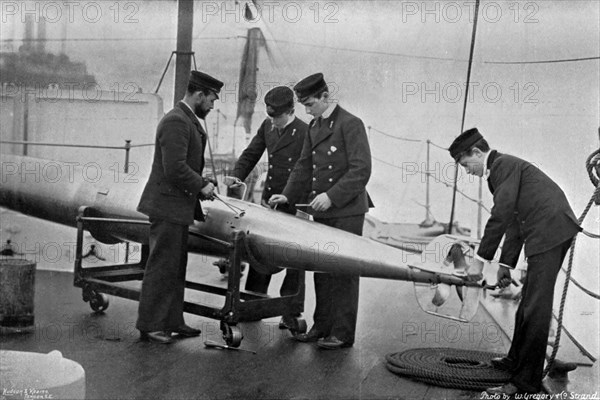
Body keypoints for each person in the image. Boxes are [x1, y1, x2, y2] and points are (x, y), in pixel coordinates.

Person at [449, 128, 581, 395]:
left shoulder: (502, 166)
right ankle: (515, 361)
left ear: (476, 152)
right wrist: (505, 266)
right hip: (545, 231)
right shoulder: (501, 169)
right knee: (529, 303)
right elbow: (512, 220)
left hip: (550, 231)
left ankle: (526, 383)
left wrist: (480, 261)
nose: (466, 171)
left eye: (465, 165)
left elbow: (501, 214)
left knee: (535, 307)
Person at [269, 73, 372, 350]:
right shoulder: (315, 126)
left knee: (344, 271)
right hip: (323, 209)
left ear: (325, 97)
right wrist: (287, 194)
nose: (307, 110)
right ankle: (321, 325)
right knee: (322, 269)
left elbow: (361, 170)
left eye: (311, 104)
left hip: (347, 209)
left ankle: (341, 332)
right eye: (303, 106)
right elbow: (303, 165)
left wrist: (331, 196)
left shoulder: (351, 124)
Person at [136, 70, 224, 344]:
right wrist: (201, 186)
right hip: (167, 207)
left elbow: (183, 165)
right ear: (199, 95)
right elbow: (174, 168)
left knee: (175, 266)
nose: (212, 105)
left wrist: (202, 182)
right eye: (211, 99)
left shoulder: (186, 119)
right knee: (163, 266)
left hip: (177, 207)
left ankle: (173, 320)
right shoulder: (177, 121)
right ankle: (150, 325)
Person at [225, 86, 308, 328]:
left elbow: (305, 169)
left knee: (294, 257)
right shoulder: (267, 126)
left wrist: (289, 196)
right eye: (270, 116)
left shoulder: (305, 132)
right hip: (270, 199)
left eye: (277, 117)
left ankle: (291, 310)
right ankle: (254, 300)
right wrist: (237, 176)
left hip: (294, 201)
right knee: (260, 249)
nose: (273, 122)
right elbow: (251, 153)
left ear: (291, 112)